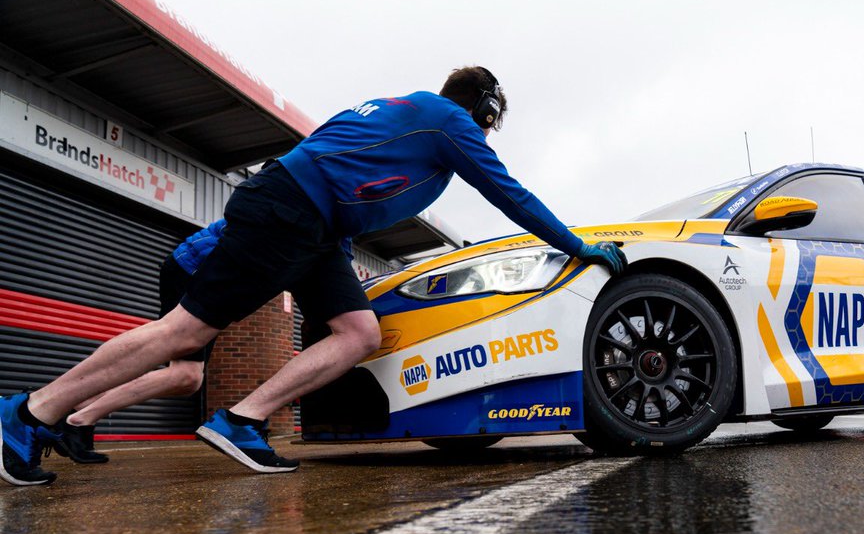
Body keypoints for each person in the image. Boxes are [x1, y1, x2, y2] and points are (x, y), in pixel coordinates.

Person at [1, 66, 626, 486]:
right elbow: (508, 194)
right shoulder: (448, 121)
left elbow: (332, 152)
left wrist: (338, 243)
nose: (489, 132)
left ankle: (240, 422)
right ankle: (33, 413)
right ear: (484, 110)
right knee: (183, 336)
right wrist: (578, 247)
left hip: (317, 227)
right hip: (289, 210)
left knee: (358, 334)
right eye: (492, 120)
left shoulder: (397, 112)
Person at [51, 220, 227, 465]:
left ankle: (70, 408)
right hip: (197, 273)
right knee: (185, 375)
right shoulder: (287, 196)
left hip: (208, 280)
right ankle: (67, 416)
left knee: (186, 378)